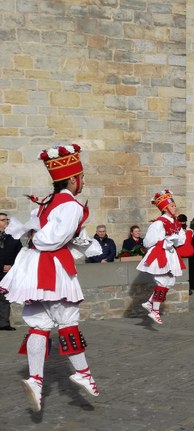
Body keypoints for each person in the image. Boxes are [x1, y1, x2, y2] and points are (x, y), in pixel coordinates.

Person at [0, 144, 100, 412]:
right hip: (51, 268)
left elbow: (36, 231)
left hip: (34, 266)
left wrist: (40, 235)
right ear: (72, 179)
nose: (83, 182)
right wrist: (46, 236)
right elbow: (51, 240)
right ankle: (83, 372)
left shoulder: (47, 201)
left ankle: (35, 379)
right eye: (81, 177)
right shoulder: (71, 206)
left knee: (39, 324)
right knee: (67, 320)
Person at [137, 189, 186, 325]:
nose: (174, 208)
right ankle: (155, 311)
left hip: (170, 254)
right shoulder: (158, 223)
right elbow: (147, 242)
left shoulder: (176, 222)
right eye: (172, 206)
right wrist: (165, 240)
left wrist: (175, 239)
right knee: (162, 281)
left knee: (170, 281)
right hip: (161, 253)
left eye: (174, 205)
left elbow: (181, 239)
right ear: (165, 208)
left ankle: (150, 303)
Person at [0, 212, 22, 331]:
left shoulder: (14, 237)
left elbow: (20, 255)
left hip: (7, 273)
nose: (6, 222)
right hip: (2, 269)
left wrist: (12, 267)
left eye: (7, 220)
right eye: (3, 220)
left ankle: (3, 323)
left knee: (4, 298)